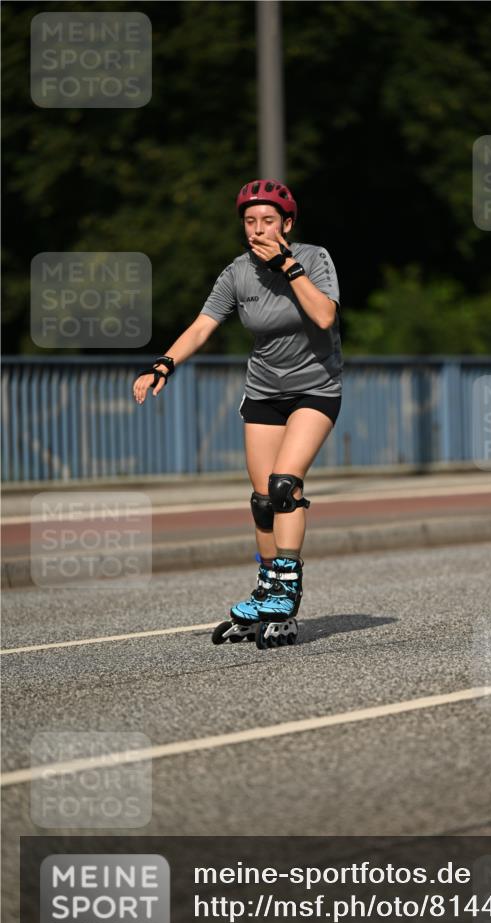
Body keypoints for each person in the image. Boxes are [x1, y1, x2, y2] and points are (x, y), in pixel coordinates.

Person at [132, 178, 342, 633]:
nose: (258, 229)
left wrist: (288, 264)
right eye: (250, 221)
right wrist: (163, 365)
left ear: (287, 223)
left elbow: (325, 315)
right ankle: (266, 587)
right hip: (264, 390)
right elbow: (203, 326)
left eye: (268, 220)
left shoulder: (313, 258)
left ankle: (288, 585)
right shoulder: (235, 273)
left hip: (315, 388)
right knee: (264, 501)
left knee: (286, 485)